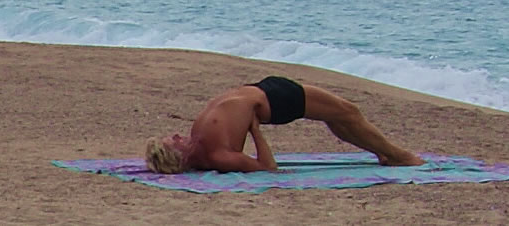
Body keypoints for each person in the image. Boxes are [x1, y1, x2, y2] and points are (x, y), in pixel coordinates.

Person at [145, 76, 424, 173]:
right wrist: (255, 130)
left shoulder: (202, 146)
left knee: (339, 115)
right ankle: (399, 156)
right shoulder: (217, 156)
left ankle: (382, 152)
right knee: (348, 112)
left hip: (264, 90)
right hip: (274, 99)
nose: (178, 135)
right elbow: (268, 167)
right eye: (175, 141)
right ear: (179, 158)